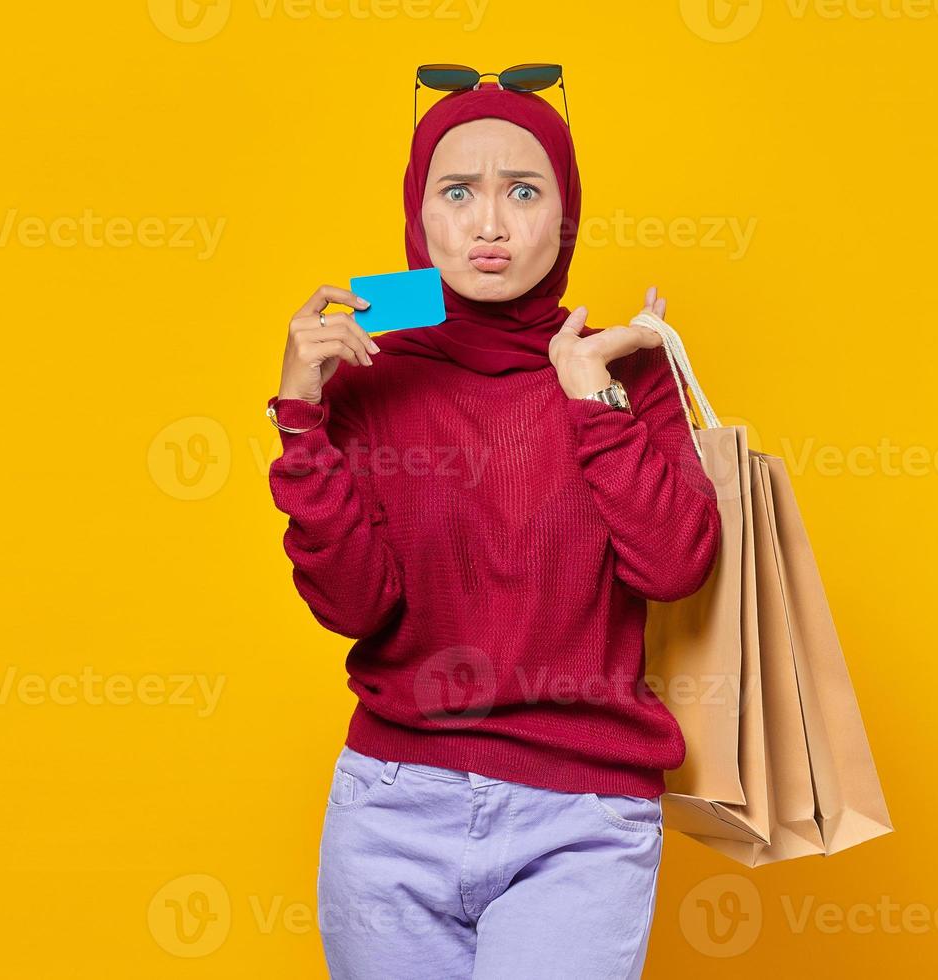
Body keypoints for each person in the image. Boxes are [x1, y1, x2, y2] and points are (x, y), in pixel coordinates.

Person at [266, 79, 722, 979]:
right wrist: (300, 419)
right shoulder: (368, 370)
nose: (490, 224)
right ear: (417, 212)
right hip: (393, 806)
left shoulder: (620, 364)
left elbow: (674, 566)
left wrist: (593, 401)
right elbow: (356, 604)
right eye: (457, 191)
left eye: (522, 191)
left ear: (566, 218)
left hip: (583, 812)